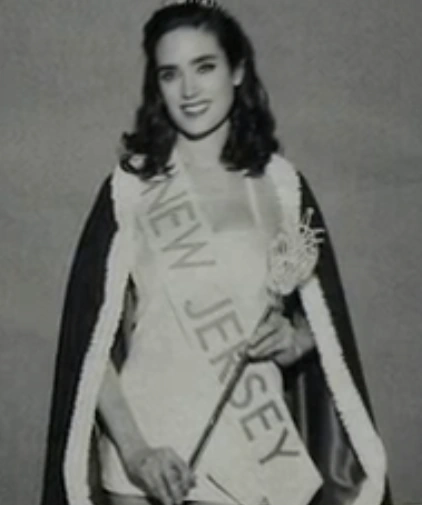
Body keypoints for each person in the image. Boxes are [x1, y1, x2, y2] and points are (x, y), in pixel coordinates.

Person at [40, 2, 392, 505]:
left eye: (204, 67)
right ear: (157, 86)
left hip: (250, 450)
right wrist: (137, 453)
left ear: (238, 70)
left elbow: (328, 318)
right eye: (170, 73)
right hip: (148, 456)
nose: (188, 90)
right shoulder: (132, 187)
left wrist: (297, 339)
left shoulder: (281, 187)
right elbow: (89, 341)